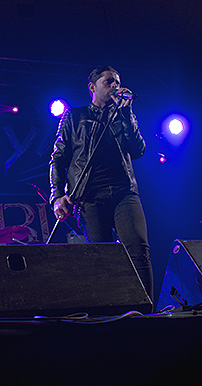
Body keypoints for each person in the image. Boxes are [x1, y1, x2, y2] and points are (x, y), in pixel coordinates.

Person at [50, 66, 153, 307]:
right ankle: (111, 313)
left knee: (138, 249)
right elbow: (58, 158)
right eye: (108, 81)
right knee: (102, 257)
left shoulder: (123, 115)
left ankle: (147, 311)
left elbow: (138, 150)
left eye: (117, 82)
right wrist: (57, 195)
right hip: (90, 197)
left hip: (123, 193)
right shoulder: (74, 116)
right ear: (92, 87)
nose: (115, 86)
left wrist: (127, 114)